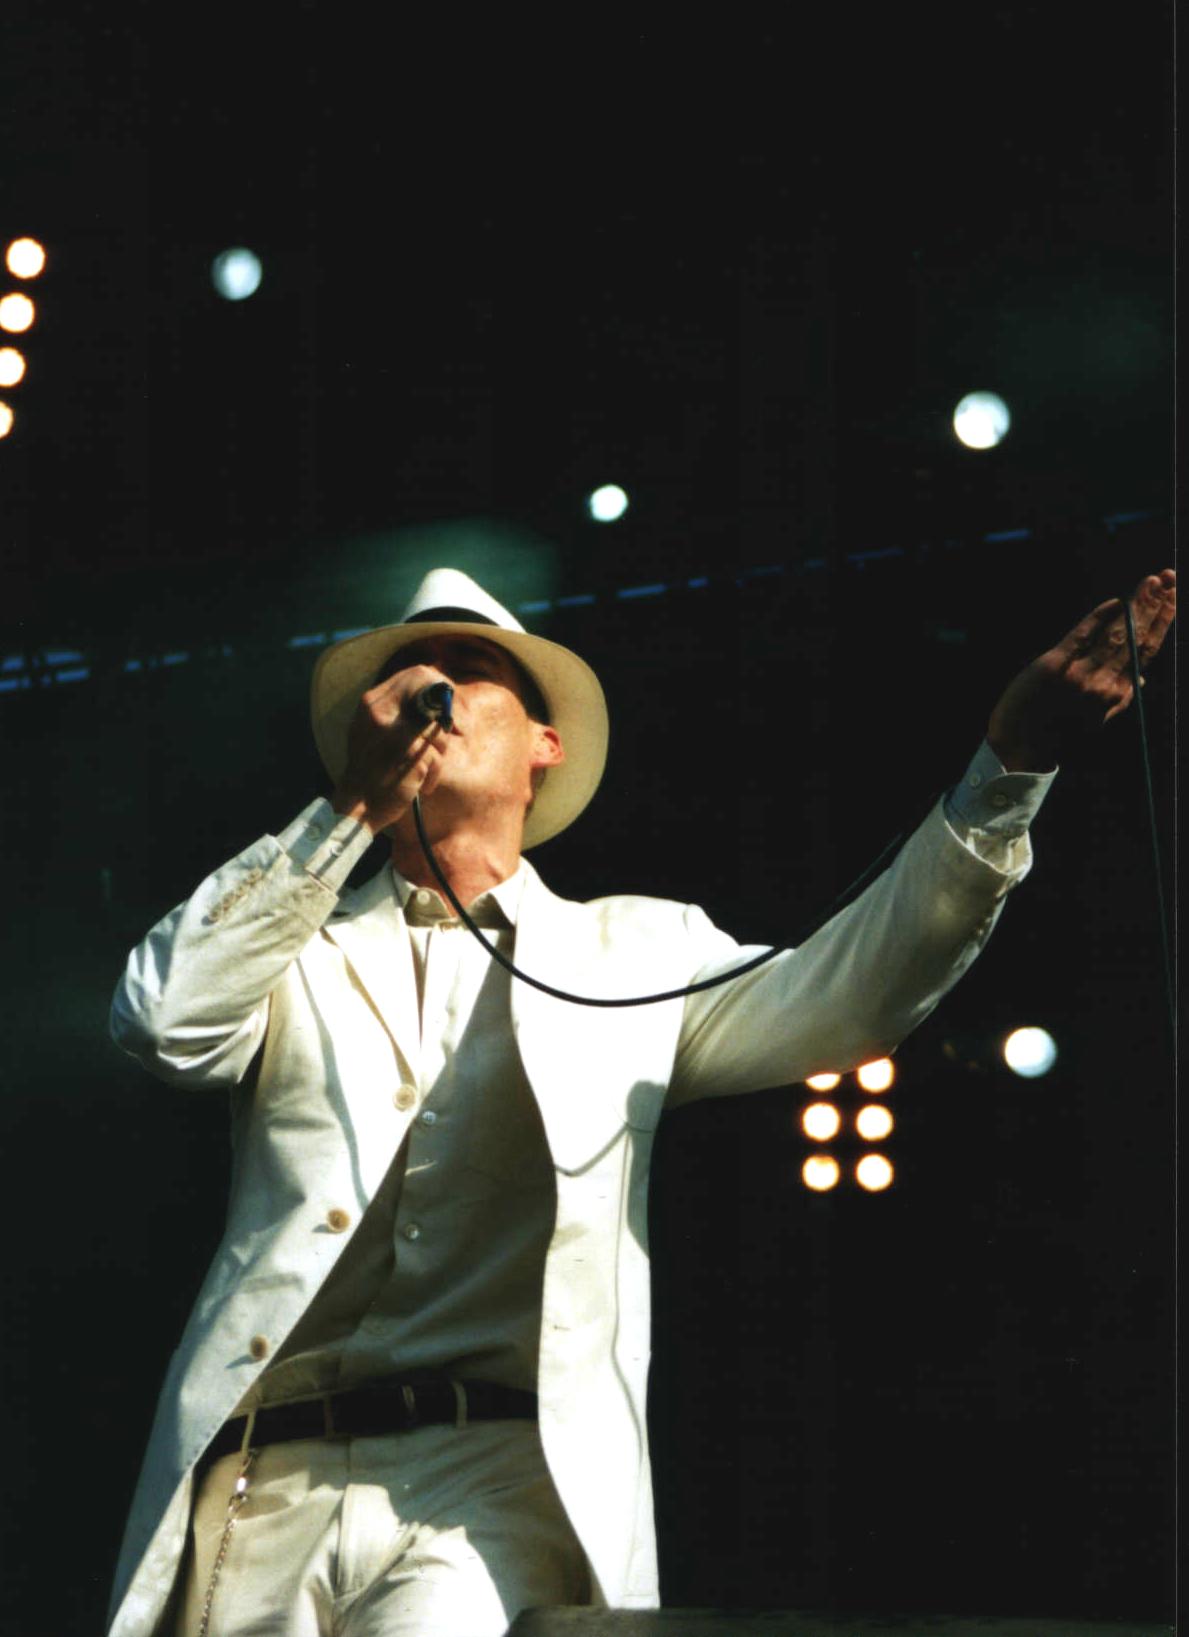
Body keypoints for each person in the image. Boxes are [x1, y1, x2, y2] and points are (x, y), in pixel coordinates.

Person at [106, 564, 1176, 1637]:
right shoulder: (294, 948)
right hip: (262, 1481)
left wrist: (1010, 765)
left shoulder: (633, 949)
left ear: (545, 744)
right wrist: (347, 811)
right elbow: (162, 1022)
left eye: (470, 670)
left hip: (487, 1483)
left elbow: (852, 994)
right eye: (412, 676)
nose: (435, 691)